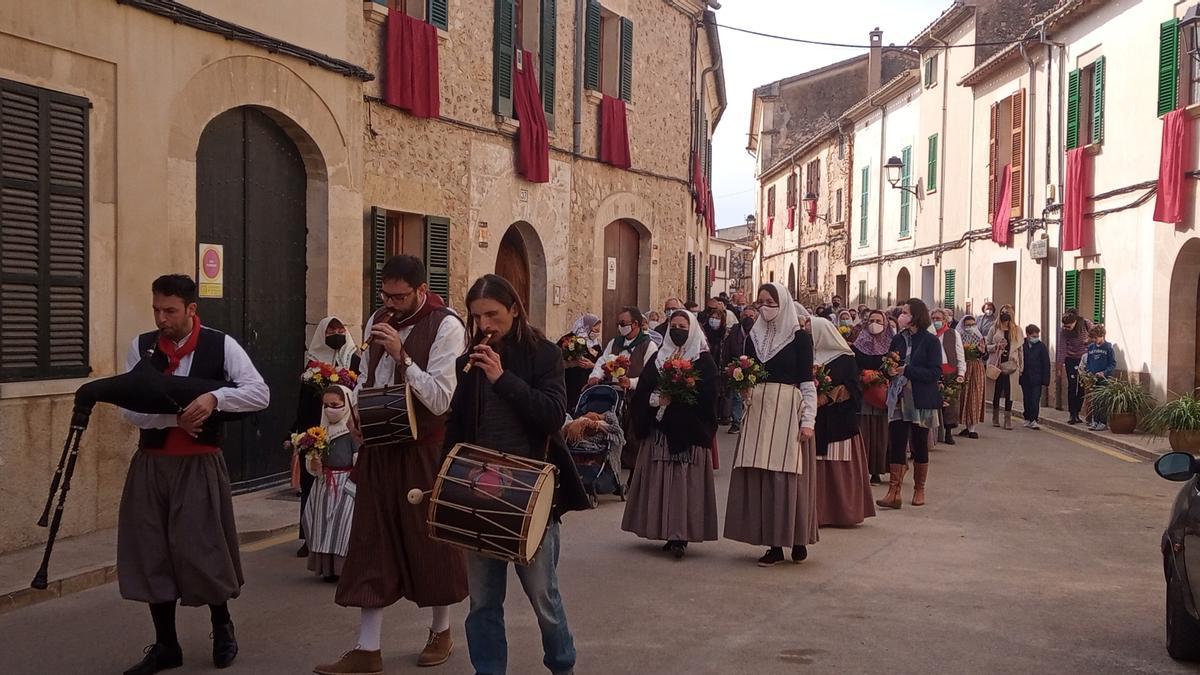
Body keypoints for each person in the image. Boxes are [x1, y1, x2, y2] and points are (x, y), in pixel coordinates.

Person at [317, 255, 468, 674]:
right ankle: (368, 648)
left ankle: (441, 631)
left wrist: (403, 355)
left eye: (401, 297)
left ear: (422, 290)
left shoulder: (447, 326)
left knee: (429, 539)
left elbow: (440, 398)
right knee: (371, 537)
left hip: (423, 447)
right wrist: (357, 414)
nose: (392, 304)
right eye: (386, 295)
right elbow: (367, 373)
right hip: (381, 446)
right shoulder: (376, 319)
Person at [118, 274, 270, 675]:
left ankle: (222, 627)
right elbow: (130, 409)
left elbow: (259, 392)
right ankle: (166, 645)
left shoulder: (221, 345)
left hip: (199, 463)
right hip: (152, 463)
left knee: (204, 550)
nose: (161, 318)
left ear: (191, 309)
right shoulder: (141, 346)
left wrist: (213, 397)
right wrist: (174, 420)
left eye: (169, 310)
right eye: (156, 309)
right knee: (152, 552)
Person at [443, 274, 589, 675]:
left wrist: (501, 378)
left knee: (544, 596)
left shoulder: (544, 355)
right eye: (477, 317)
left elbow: (551, 415)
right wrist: (447, 477)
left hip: (531, 490)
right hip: (479, 487)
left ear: (514, 309)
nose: (485, 325)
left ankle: (562, 665)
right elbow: (457, 424)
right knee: (483, 601)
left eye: (493, 314)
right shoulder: (468, 361)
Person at [724, 283, 819, 566]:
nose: (765, 306)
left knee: (787, 477)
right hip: (758, 410)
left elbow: (807, 382)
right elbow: (749, 373)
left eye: (771, 301)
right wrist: (743, 387)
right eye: (761, 301)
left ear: (784, 303)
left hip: (788, 409)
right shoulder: (753, 337)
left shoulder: (799, 338)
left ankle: (797, 537)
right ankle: (774, 544)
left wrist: (808, 420)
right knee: (762, 477)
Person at [623, 310, 720, 558]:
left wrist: (678, 400)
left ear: (693, 329)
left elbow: (709, 397)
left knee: (682, 484)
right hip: (660, 432)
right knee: (661, 481)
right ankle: (664, 529)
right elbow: (644, 388)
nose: (677, 330)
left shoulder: (703, 360)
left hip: (689, 432)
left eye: (683, 326)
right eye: (673, 325)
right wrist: (656, 400)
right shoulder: (658, 357)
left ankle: (681, 534)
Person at [294, 316, 361, 558]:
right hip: (315, 429)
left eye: (339, 329)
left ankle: (341, 541)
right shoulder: (312, 365)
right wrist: (297, 433)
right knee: (311, 485)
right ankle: (309, 538)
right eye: (331, 330)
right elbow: (302, 402)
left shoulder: (354, 359)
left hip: (345, 430)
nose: (336, 333)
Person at [876, 299, 943, 510]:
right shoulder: (897, 339)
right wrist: (888, 369)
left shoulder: (930, 341)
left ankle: (919, 489)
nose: (902, 315)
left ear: (916, 315)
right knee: (896, 442)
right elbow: (889, 361)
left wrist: (908, 371)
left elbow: (935, 372)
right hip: (898, 396)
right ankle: (894, 491)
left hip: (920, 398)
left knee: (919, 443)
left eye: (906, 312)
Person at [809, 317, 875, 527]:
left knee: (837, 468)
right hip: (814, 420)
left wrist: (829, 396)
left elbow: (854, 390)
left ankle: (842, 512)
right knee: (816, 466)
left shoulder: (845, 358)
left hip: (839, 421)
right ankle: (817, 512)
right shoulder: (808, 356)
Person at [589, 307, 660, 470]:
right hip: (613, 392)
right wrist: (595, 375)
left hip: (634, 395)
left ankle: (633, 465)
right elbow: (602, 361)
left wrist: (632, 382)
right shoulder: (615, 343)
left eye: (623, 323)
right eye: (618, 323)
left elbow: (651, 374)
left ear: (635, 324)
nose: (620, 326)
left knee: (632, 431)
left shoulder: (648, 346)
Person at [301, 385, 359, 582]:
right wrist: (314, 464)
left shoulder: (352, 431)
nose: (329, 409)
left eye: (334, 405)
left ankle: (344, 568)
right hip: (324, 484)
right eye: (325, 405)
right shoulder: (321, 431)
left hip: (346, 484)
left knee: (343, 527)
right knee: (321, 525)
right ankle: (327, 568)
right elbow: (312, 462)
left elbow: (359, 459)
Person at [852, 309, 894, 484]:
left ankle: (877, 470)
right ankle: (863, 468)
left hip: (883, 393)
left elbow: (895, 366)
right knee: (864, 430)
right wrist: (863, 376)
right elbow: (853, 366)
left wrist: (883, 376)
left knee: (880, 432)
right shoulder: (858, 345)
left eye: (878, 321)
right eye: (871, 320)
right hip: (864, 392)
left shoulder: (891, 345)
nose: (874, 324)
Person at [932, 308, 965, 445]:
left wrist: (961, 372)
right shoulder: (929, 334)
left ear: (945, 320)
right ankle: (935, 433)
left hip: (950, 370)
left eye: (938, 319)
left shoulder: (953, 333)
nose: (935, 321)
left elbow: (960, 353)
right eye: (933, 318)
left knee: (950, 402)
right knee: (935, 401)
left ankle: (949, 432)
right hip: (934, 370)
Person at [987, 307, 1022, 431]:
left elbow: (1020, 350)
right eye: (1002, 312)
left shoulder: (1017, 330)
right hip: (997, 363)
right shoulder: (994, 328)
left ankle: (1008, 418)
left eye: (1007, 312)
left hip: (1011, 365)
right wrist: (996, 346)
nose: (1004, 315)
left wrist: (1021, 366)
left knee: (1009, 392)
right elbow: (987, 345)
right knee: (997, 391)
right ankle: (995, 416)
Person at [560, 313, 602, 412]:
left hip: (587, 384)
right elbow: (556, 361)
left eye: (598, 331)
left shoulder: (596, 344)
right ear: (586, 327)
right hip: (570, 381)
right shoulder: (569, 340)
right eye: (595, 330)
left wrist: (592, 365)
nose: (596, 333)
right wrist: (572, 363)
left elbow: (601, 363)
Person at [1058, 310, 1093, 425]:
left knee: (1082, 386)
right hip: (1071, 359)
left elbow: (1096, 334)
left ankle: (1078, 411)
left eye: (1069, 326)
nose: (1067, 328)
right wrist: (1059, 366)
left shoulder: (1086, 324)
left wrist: (1088, 341)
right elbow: (1062, 348)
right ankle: (1073, 414)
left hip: (1084, 359)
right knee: (1072, 386)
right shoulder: (1064, 331)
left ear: (1075, 321)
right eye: (1065, 326)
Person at [725, 307, 756, 434]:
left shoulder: (759, 331)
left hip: (753, 367)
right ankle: (736, 422)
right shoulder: (735, 330)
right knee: (737, 396)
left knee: (752, 396)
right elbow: (727, 348)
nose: (748, 318)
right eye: (745, 316)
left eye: (751, 316)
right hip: (737, 365)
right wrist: (728, 365)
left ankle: (751, 422)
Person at [956, 315, 987, 439]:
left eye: (973, 325)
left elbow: (985, 356)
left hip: (976, 368)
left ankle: (973, 427)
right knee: (963, 396)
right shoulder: (959, 337)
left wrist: (982, 351)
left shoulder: (980, 337)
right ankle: (966, 425)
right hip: (964, 366)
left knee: (975, 395)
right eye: (968, 325)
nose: (970, 327)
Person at [703, 298, 732, 424]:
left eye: (717, 318)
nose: (714, 320)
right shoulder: (703, 333)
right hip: (708, 368)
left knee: (722, 393)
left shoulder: (725, 334)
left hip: (720, 367)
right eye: (712, 317)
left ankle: (723, 415)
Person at [1085, 324, 1118, 431]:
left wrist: (1105, 372)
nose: (1095, 340)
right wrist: (1089, 372)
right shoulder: (1091, 348)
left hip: (1104, 379)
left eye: (1096, 338)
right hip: (1093, 378)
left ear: (1102, 335)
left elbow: (1112, 364)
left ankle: (1102, 422)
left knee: (1102, 401)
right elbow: (1089, 362)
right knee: (1095, 401)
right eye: (1093, 338)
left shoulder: (1108, 348)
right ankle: (1095, 421)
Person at [1019, 324, 1051, 430]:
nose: (1035, 338)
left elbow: (1046, 363)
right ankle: (1027, 417)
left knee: (1035, 399)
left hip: (1037, 378)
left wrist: (1046, 379)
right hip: (1025, 377)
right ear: (1027, 335)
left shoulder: (1041, 346)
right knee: (1027, 398)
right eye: (1033, 336)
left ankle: (1034, 419)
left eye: (1037, 336)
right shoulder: (1022, 345)